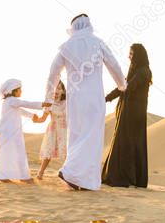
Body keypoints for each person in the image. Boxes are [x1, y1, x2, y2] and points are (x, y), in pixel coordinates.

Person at [46, 14, 126, 190]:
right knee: (92, 137)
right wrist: (122, 85)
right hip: (94, 98)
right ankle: (71, 172)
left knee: (76, 135)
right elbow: (114, 65)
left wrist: (48, 96)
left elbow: (54, 73)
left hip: (75, 100)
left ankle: (81, 180)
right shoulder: (98, 43)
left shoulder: (66, 47)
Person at [102, 43, 152, 188]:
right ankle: (126, 177)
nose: (129, 57)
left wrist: (108, 97)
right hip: (129, 113)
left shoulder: (144, 72)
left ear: (137, 55)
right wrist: (107, 97)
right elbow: (123, 86)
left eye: (131, 54)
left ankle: (127, 178)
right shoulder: (136, 71)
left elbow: (127, 87)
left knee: (129, 144)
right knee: (125, 143)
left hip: (134, 114)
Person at [0, 79, 48, 182]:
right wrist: (42, 104)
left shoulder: (10, 103)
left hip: (9, 133)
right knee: (17, 153)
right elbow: (25, 104)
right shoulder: (11, 101)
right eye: (20, 89)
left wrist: (33, 116)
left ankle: (4, 176)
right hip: (10, 133)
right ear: (14, 91)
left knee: (8, 153)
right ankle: (23, 177)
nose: (21, 91)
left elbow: (22, 111)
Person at [32, 80, 67, 180]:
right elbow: (42, 119)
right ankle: (40, 173)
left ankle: (67, 173)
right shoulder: (50, 103)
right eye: (55, 88)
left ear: (63, 91)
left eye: (59, 88)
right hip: (53, 130)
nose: (56, 91)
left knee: (67, 152)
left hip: (65, 129)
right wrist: (35, 119)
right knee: (48, 152)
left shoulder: (68, 102)